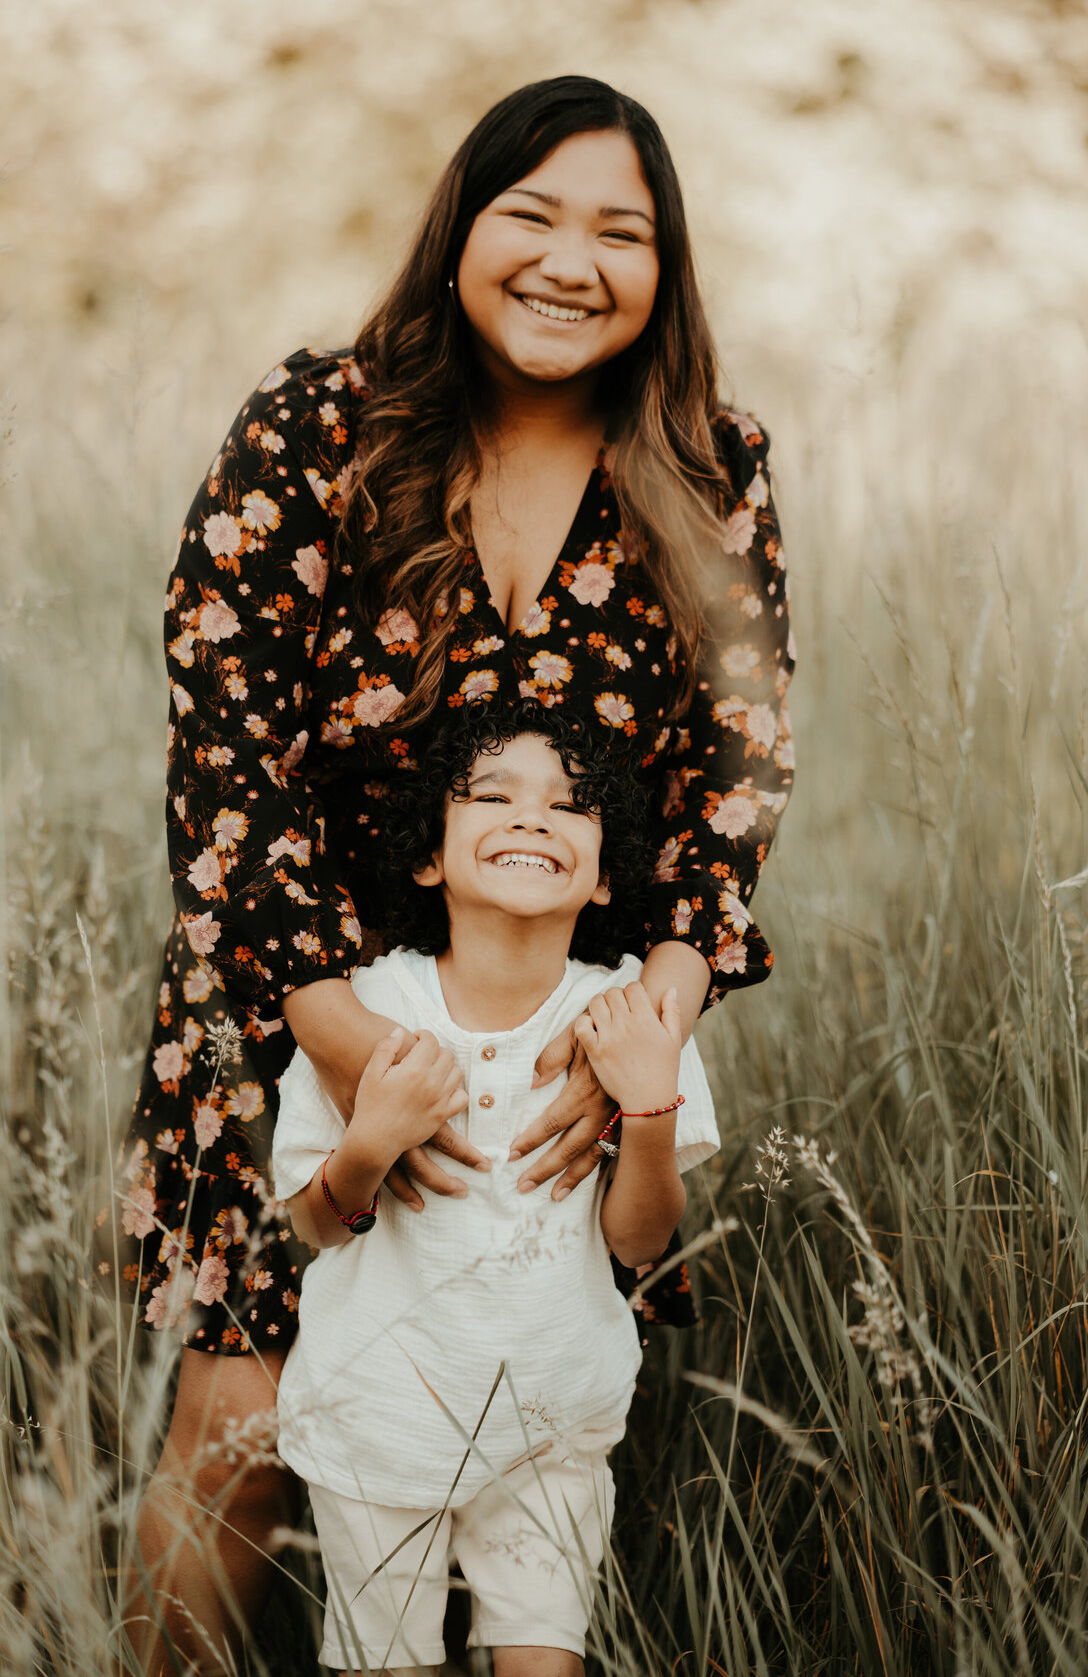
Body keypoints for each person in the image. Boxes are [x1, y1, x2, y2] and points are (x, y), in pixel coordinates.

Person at [117, 74, 795, 1672]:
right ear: (460, 228)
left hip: (568, 1044)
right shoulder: (316, 425)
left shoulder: (711, 459)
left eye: (620, 230)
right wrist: (356, 1050)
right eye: (531, 215)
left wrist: (656, 1021)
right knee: (248, 1424)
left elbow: (743, 766)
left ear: (666, 264)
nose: (571, 260)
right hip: (288, 1009)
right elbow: (224, 746)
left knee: (513, 1431)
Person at [271, 704, 721, 1674]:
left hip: (553, 1433)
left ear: (606, 874)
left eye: (570, 804)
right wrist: (371, 1141)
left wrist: (646, 1109)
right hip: (376, 1422)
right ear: (430, 854)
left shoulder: (632, 1010)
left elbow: (641, 1244)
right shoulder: (372, 1005)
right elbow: (311, 1222)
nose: (531, 816)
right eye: (492, 795)